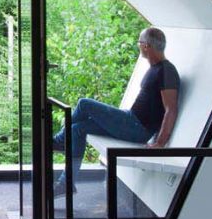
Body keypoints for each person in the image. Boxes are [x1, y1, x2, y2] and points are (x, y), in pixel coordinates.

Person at [53, 26, 180, 193]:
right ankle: (66, 183)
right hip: (131, 120)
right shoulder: (155, 69)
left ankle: (60, 141)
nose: (138, 45)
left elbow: (171, 109)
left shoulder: (167, 71)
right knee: (77, 129)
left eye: (139, 42)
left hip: (137, 127)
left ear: (146, 46)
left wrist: (160, 143)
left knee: (84, 104)